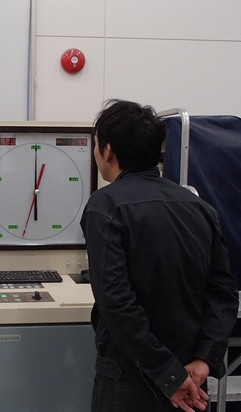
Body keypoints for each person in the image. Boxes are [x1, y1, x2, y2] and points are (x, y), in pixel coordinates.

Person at [80, 99, 239, 412]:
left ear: (108, 151)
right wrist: (203, 360)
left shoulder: (105, 206)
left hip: (131, 382)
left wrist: (168, 375)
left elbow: (116, 302)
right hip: (193, 382)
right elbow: (223, 292)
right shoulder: (200, 208)